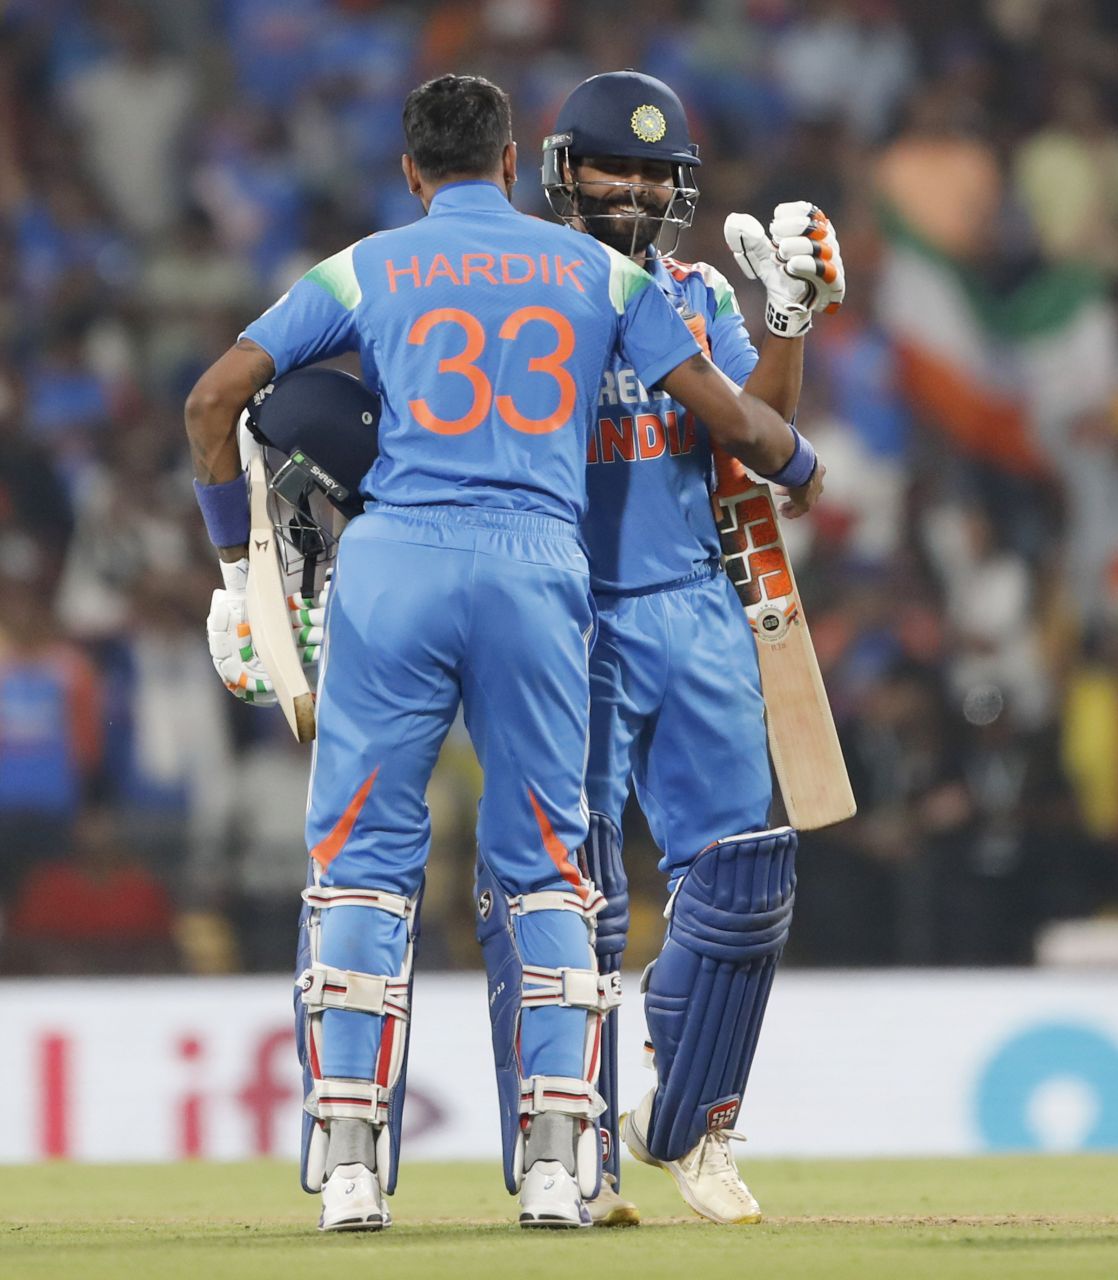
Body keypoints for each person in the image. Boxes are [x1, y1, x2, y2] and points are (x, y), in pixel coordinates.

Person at [183, 73, 821, 1232]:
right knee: (551, 877)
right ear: (522, 155)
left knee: (363, 864)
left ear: (413, 169)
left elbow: (216, 399)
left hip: (397, 566)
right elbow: (731, 422)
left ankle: (349, 1166)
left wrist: (240, 578)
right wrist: (803, 464)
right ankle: (561, 1165)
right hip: (542, 579)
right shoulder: (606, 274)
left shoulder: (366, 263)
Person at [537, 70, 844, 1227]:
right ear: (569, 171)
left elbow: (758, 432)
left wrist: (788, 319)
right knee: (583, 896)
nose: (636, 188)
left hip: (694, 601)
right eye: (616, 167)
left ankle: (697, 1123)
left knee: (752, 875)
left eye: (657, 173)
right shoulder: (530, 297)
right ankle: (576, 1147)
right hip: (571, 608)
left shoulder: (699, 287)